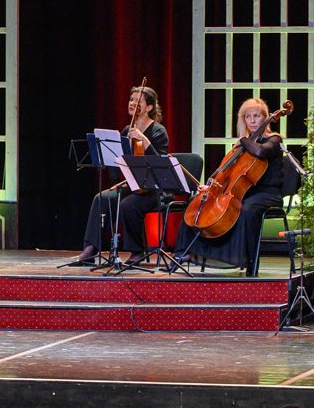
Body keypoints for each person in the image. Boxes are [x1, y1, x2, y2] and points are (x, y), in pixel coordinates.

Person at [177, 98, 285, 274]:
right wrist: (211, 184)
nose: (252, 121)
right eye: (247, 117)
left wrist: (244, 140)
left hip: (266, 193)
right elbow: (225, 172)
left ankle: (249, 262)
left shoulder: (274, 140)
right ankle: (184, 252)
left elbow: (260, 151)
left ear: (265, 118)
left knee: (246, 210)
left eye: (256, 116)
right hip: (241, 192)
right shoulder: (243, 146)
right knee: (195, 201)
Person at [74, 83, 169, 265]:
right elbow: (117, 159)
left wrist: (144, 140)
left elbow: (160, 164)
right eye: (131, 100)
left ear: (149, 108)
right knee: (101, 198)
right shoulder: (127, 130)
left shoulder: (158, 131)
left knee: (128, 205)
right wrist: (117, 181)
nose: (132, 103)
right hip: (133, 185)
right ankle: (90, 248)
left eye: (137, 101)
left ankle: (137, 252)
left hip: (154, 189)